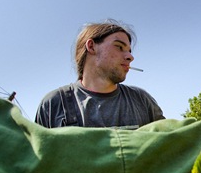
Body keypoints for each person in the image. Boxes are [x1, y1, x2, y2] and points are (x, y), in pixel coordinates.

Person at [35, 20, 165, 129]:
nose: (130, 57)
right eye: (119, 47)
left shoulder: (142, 100)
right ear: (91, 46)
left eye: (129, 51)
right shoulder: (54, 104)